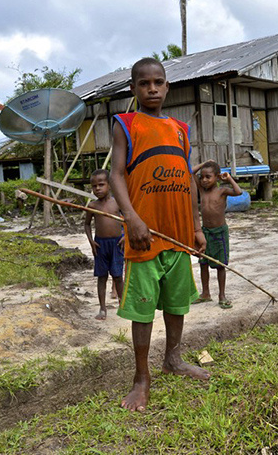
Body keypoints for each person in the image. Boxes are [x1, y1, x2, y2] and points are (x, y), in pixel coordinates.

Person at [110, 57, 210, 413]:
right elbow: (116, 175)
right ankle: (141, 378)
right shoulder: (126, 124)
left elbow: (188, 180)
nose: (152, 89)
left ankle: (173, 360)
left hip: (179, 234)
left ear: (167, 86)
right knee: (143, 310)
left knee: (176, 302)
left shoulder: (180, 129)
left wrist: (196, 227)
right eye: (144, 84)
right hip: (144, 235)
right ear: (133, 89)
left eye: (158, 82)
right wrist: (131, 217)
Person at [191, 160, 242, 309]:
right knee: (203, 263)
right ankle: (205, 293)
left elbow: (238, 192)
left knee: (220, 265)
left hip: (219, 232)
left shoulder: (222, 191)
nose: (204, 180)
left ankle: (222, 295)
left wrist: (229, 178)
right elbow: (190, 172)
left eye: (208, 177)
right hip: (205, 231)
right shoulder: (201, 189)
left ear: (217, 177)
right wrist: (204, 163)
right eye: (203, 177)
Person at [84, 169, 125, 320]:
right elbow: (87, 225)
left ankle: (122, 304)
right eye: (94, 186)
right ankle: (102, 308)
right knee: (101, 277)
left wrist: (125, 235)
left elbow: (128, 218)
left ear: (110, 185)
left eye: (101, 185)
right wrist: (91, 241)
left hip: (116, 244)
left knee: (117, 276)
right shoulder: (92, 205)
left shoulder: (117, 202)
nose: (98, 189)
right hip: (100, 245)